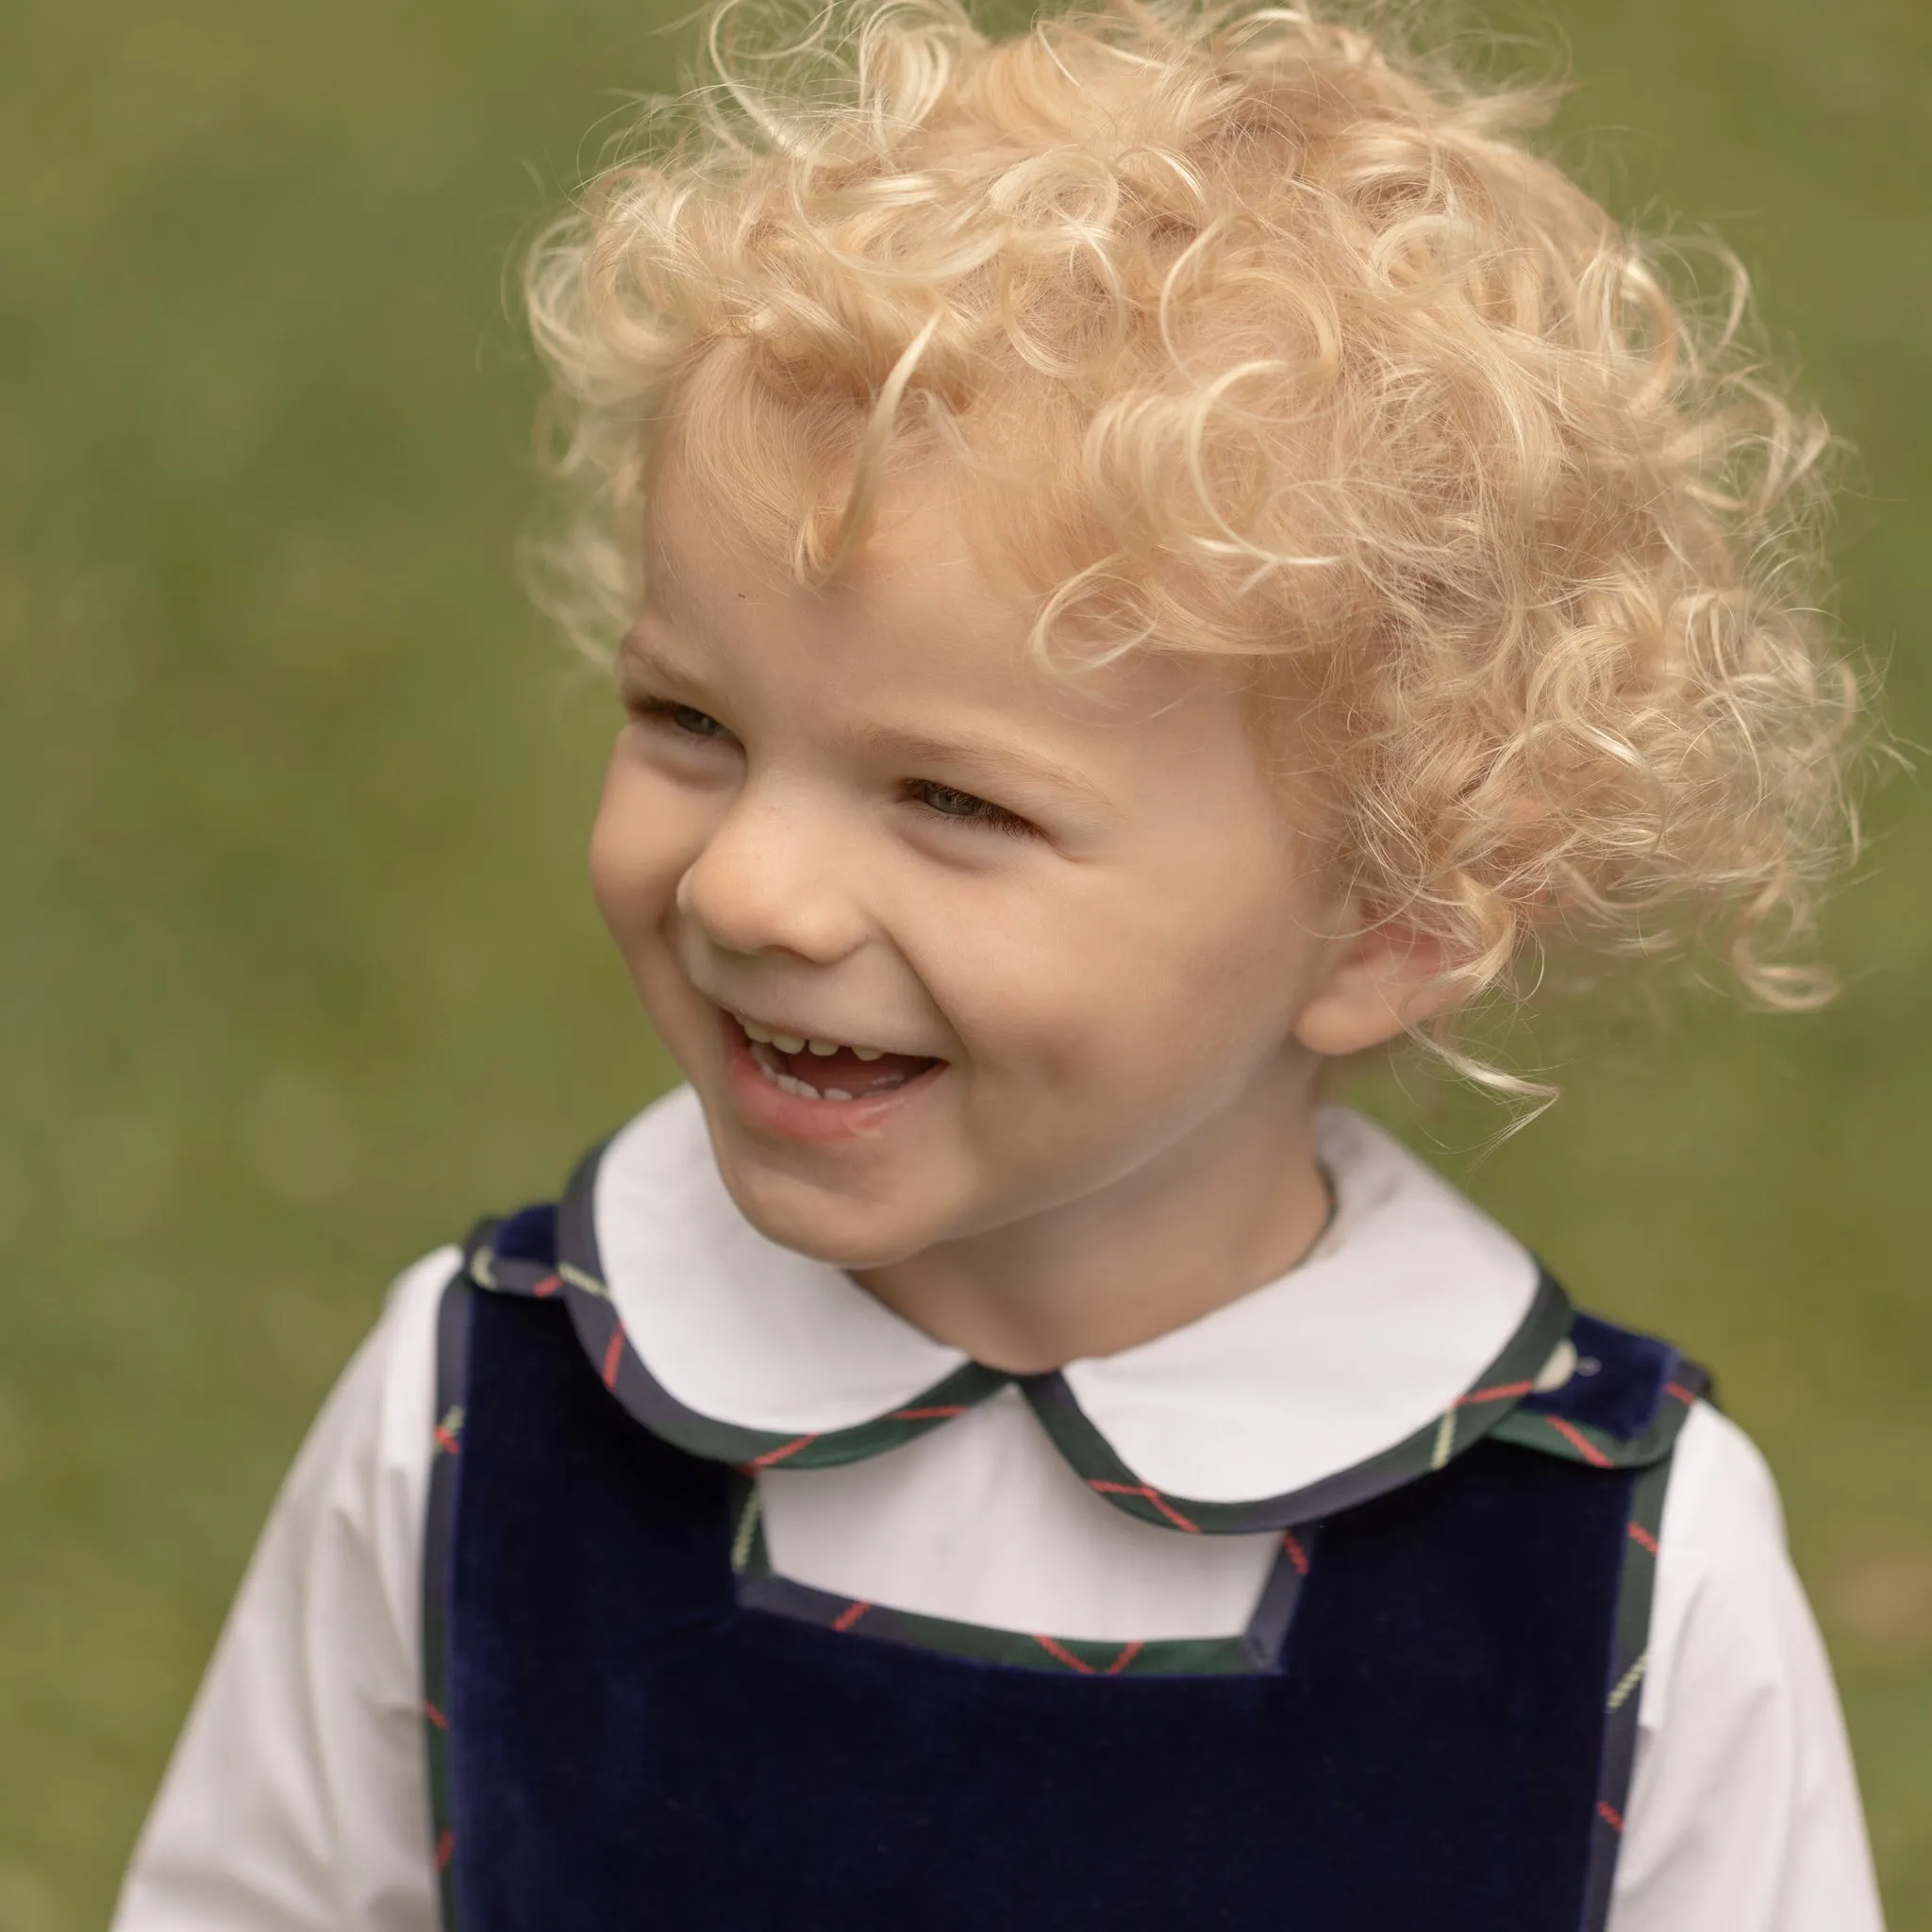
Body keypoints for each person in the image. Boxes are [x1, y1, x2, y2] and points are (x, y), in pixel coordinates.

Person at [113, 1, 1886, 1925]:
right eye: (691, 720)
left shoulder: (1611, 1557)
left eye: (953, 799)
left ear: (1395, 919)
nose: (757, 888)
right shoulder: (480, 1406)